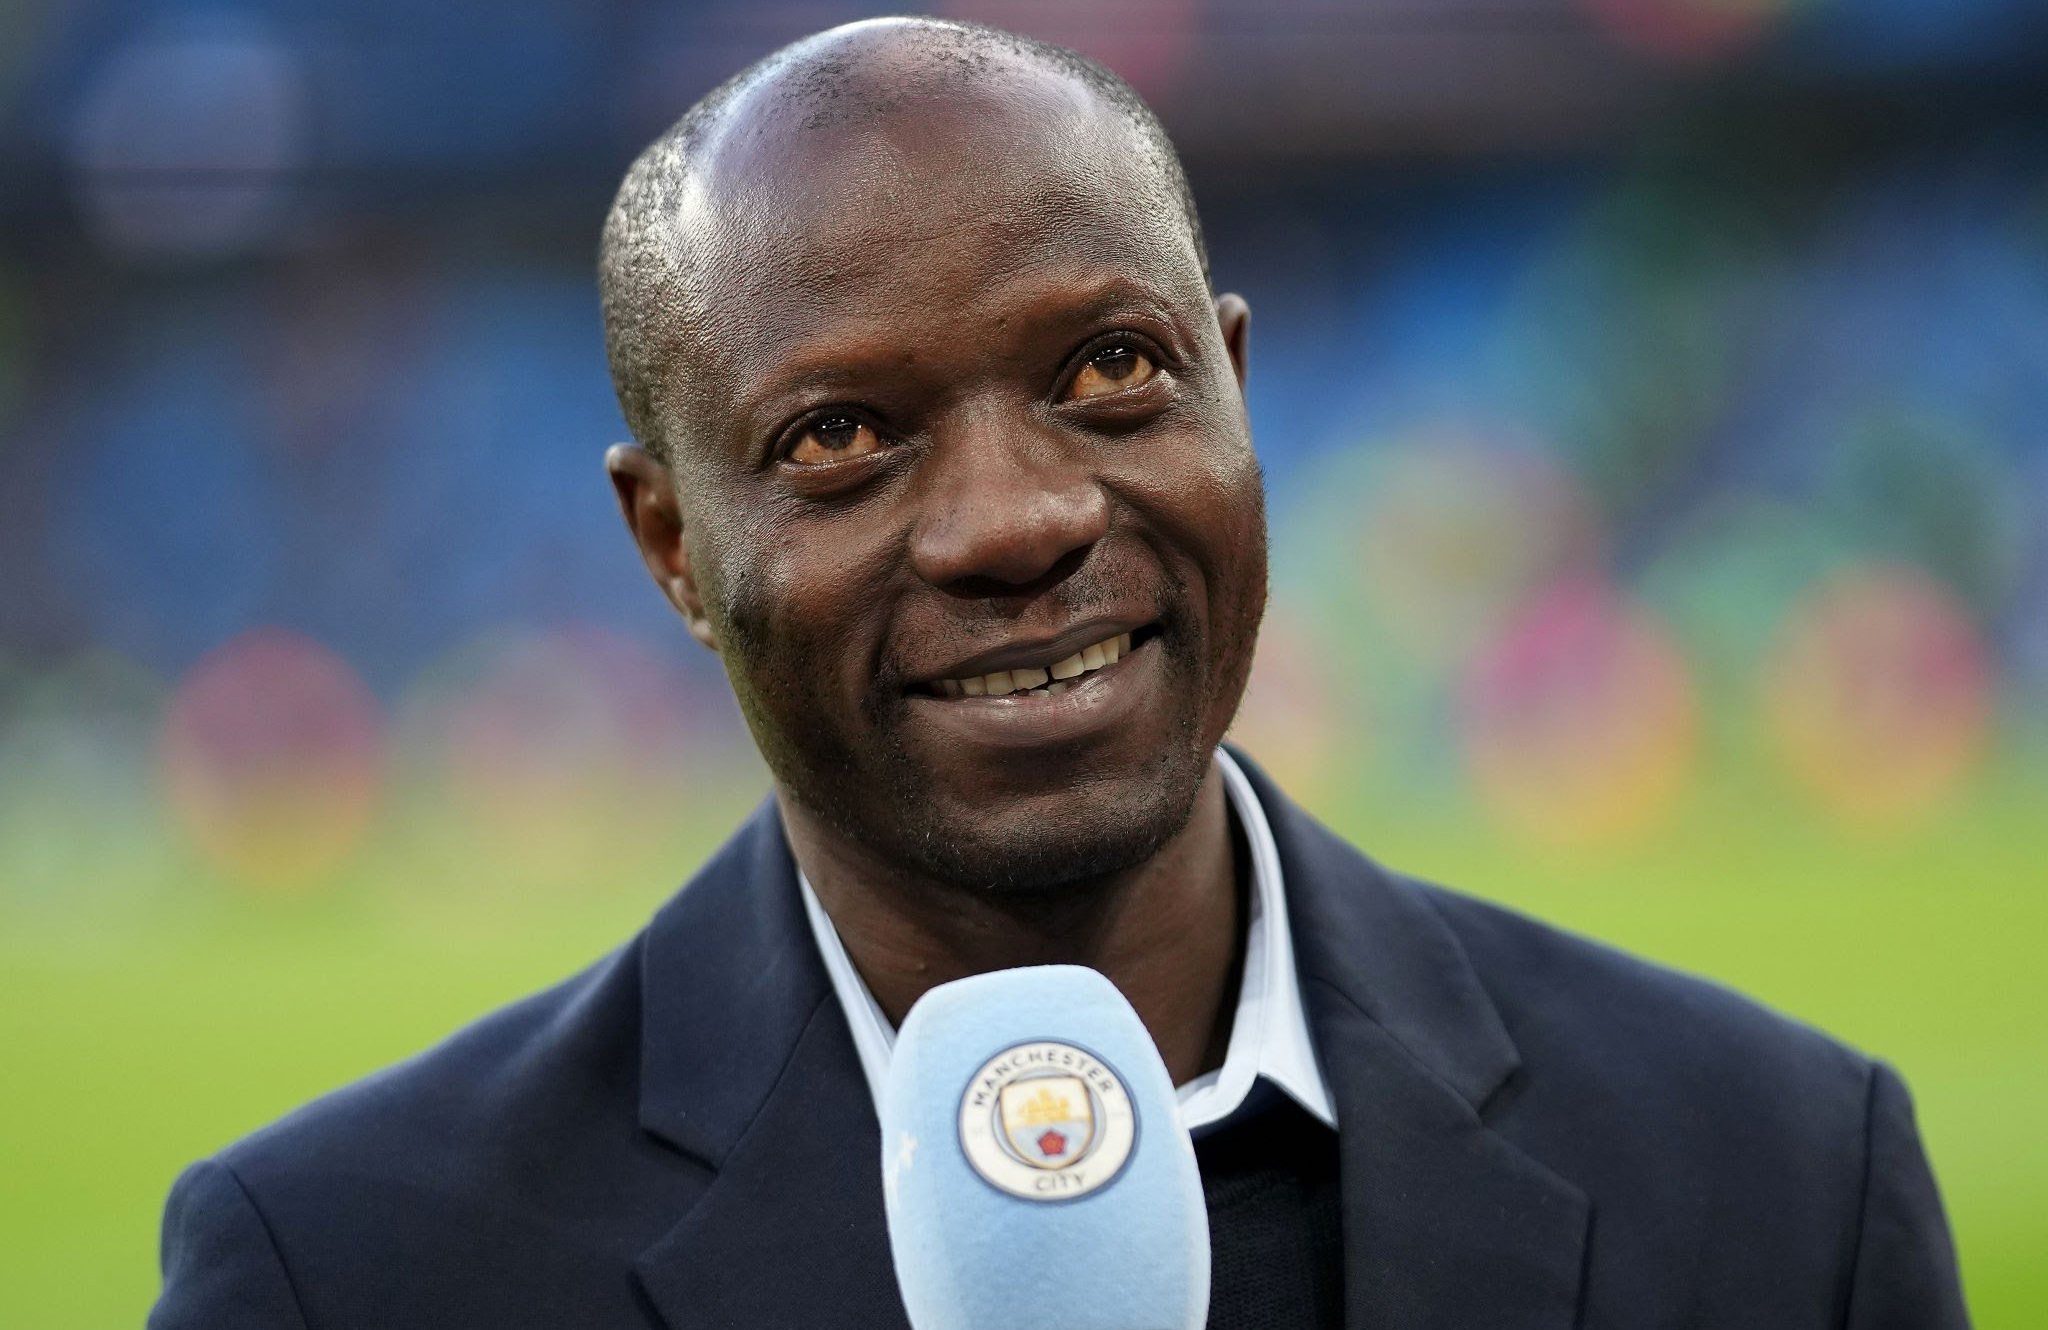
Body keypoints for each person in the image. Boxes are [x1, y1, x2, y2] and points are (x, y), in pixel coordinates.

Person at [150, 17, 1969, 1329]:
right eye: (844, 433)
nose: (1015, 519)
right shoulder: (345, 1270)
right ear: (673, 547)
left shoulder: (1790, 1183)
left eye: (1109, 370)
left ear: (1236, 387)